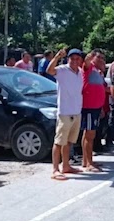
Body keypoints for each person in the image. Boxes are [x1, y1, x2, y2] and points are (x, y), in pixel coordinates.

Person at [45, 48, 86, 180]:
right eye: (72, 58)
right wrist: (56, 57)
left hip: (76, 111)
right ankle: (55, 169)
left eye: (77, 59)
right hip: (65, 112)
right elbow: (49, 71)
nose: (74, 61)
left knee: (69, 142)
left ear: (80, 60)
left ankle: (66, 165)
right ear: (68, 59)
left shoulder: (80, 72)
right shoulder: (62, 70)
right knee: (59, 142)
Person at [79, 50, 109, 172]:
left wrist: (101, 107)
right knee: (90, 135)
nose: (102, 60)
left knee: (89, 134)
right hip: (89, 107)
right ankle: (89, 163)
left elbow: (101, 89)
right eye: (99, 57)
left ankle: (86, 161)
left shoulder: (99, 72)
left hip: (96, 107)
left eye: (103, 58)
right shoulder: (88, 68)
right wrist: (90, 56)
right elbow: (86, 61)